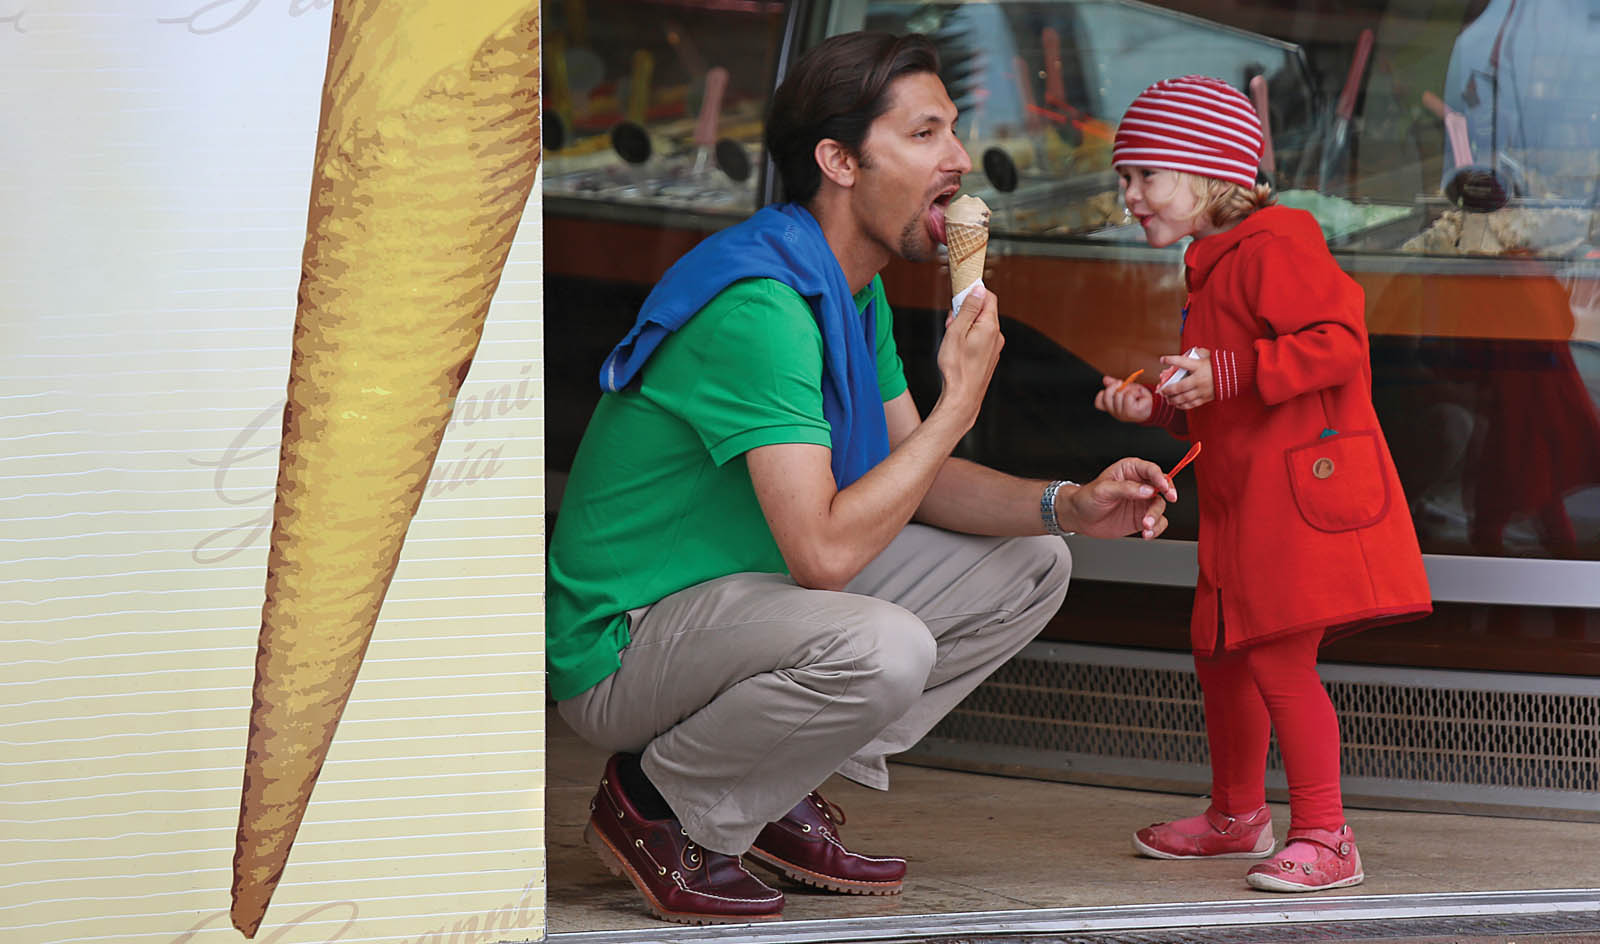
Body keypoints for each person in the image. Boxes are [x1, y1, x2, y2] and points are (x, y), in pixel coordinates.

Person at [545, 31, 1176, 924]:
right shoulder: (762, 306)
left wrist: (1068, 504)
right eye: (923, 136)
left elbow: (912, 476)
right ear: (837, 160)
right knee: (883, 644)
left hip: (740, 602)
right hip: (626, 641)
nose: (958, 161)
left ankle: (763, 784)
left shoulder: (848, 285)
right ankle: (657, 804)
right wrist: (960, 400)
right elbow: (826, 554)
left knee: (1033, 561)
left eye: (952, 132)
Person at [1094, 76, 1432, 893]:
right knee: (1218, 655)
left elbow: (1340, 345)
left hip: (1292, 508)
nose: (1129, 196)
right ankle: (1238, 815)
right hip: (1244, 507)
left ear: (1210, 173)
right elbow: (1230, 396)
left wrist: (1230, 372)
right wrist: (1160, 405)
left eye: (1146, 175)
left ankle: (1328, 834)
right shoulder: (1212, 262)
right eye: (1124, 178)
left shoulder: (1278, 244)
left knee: (1279, 662)